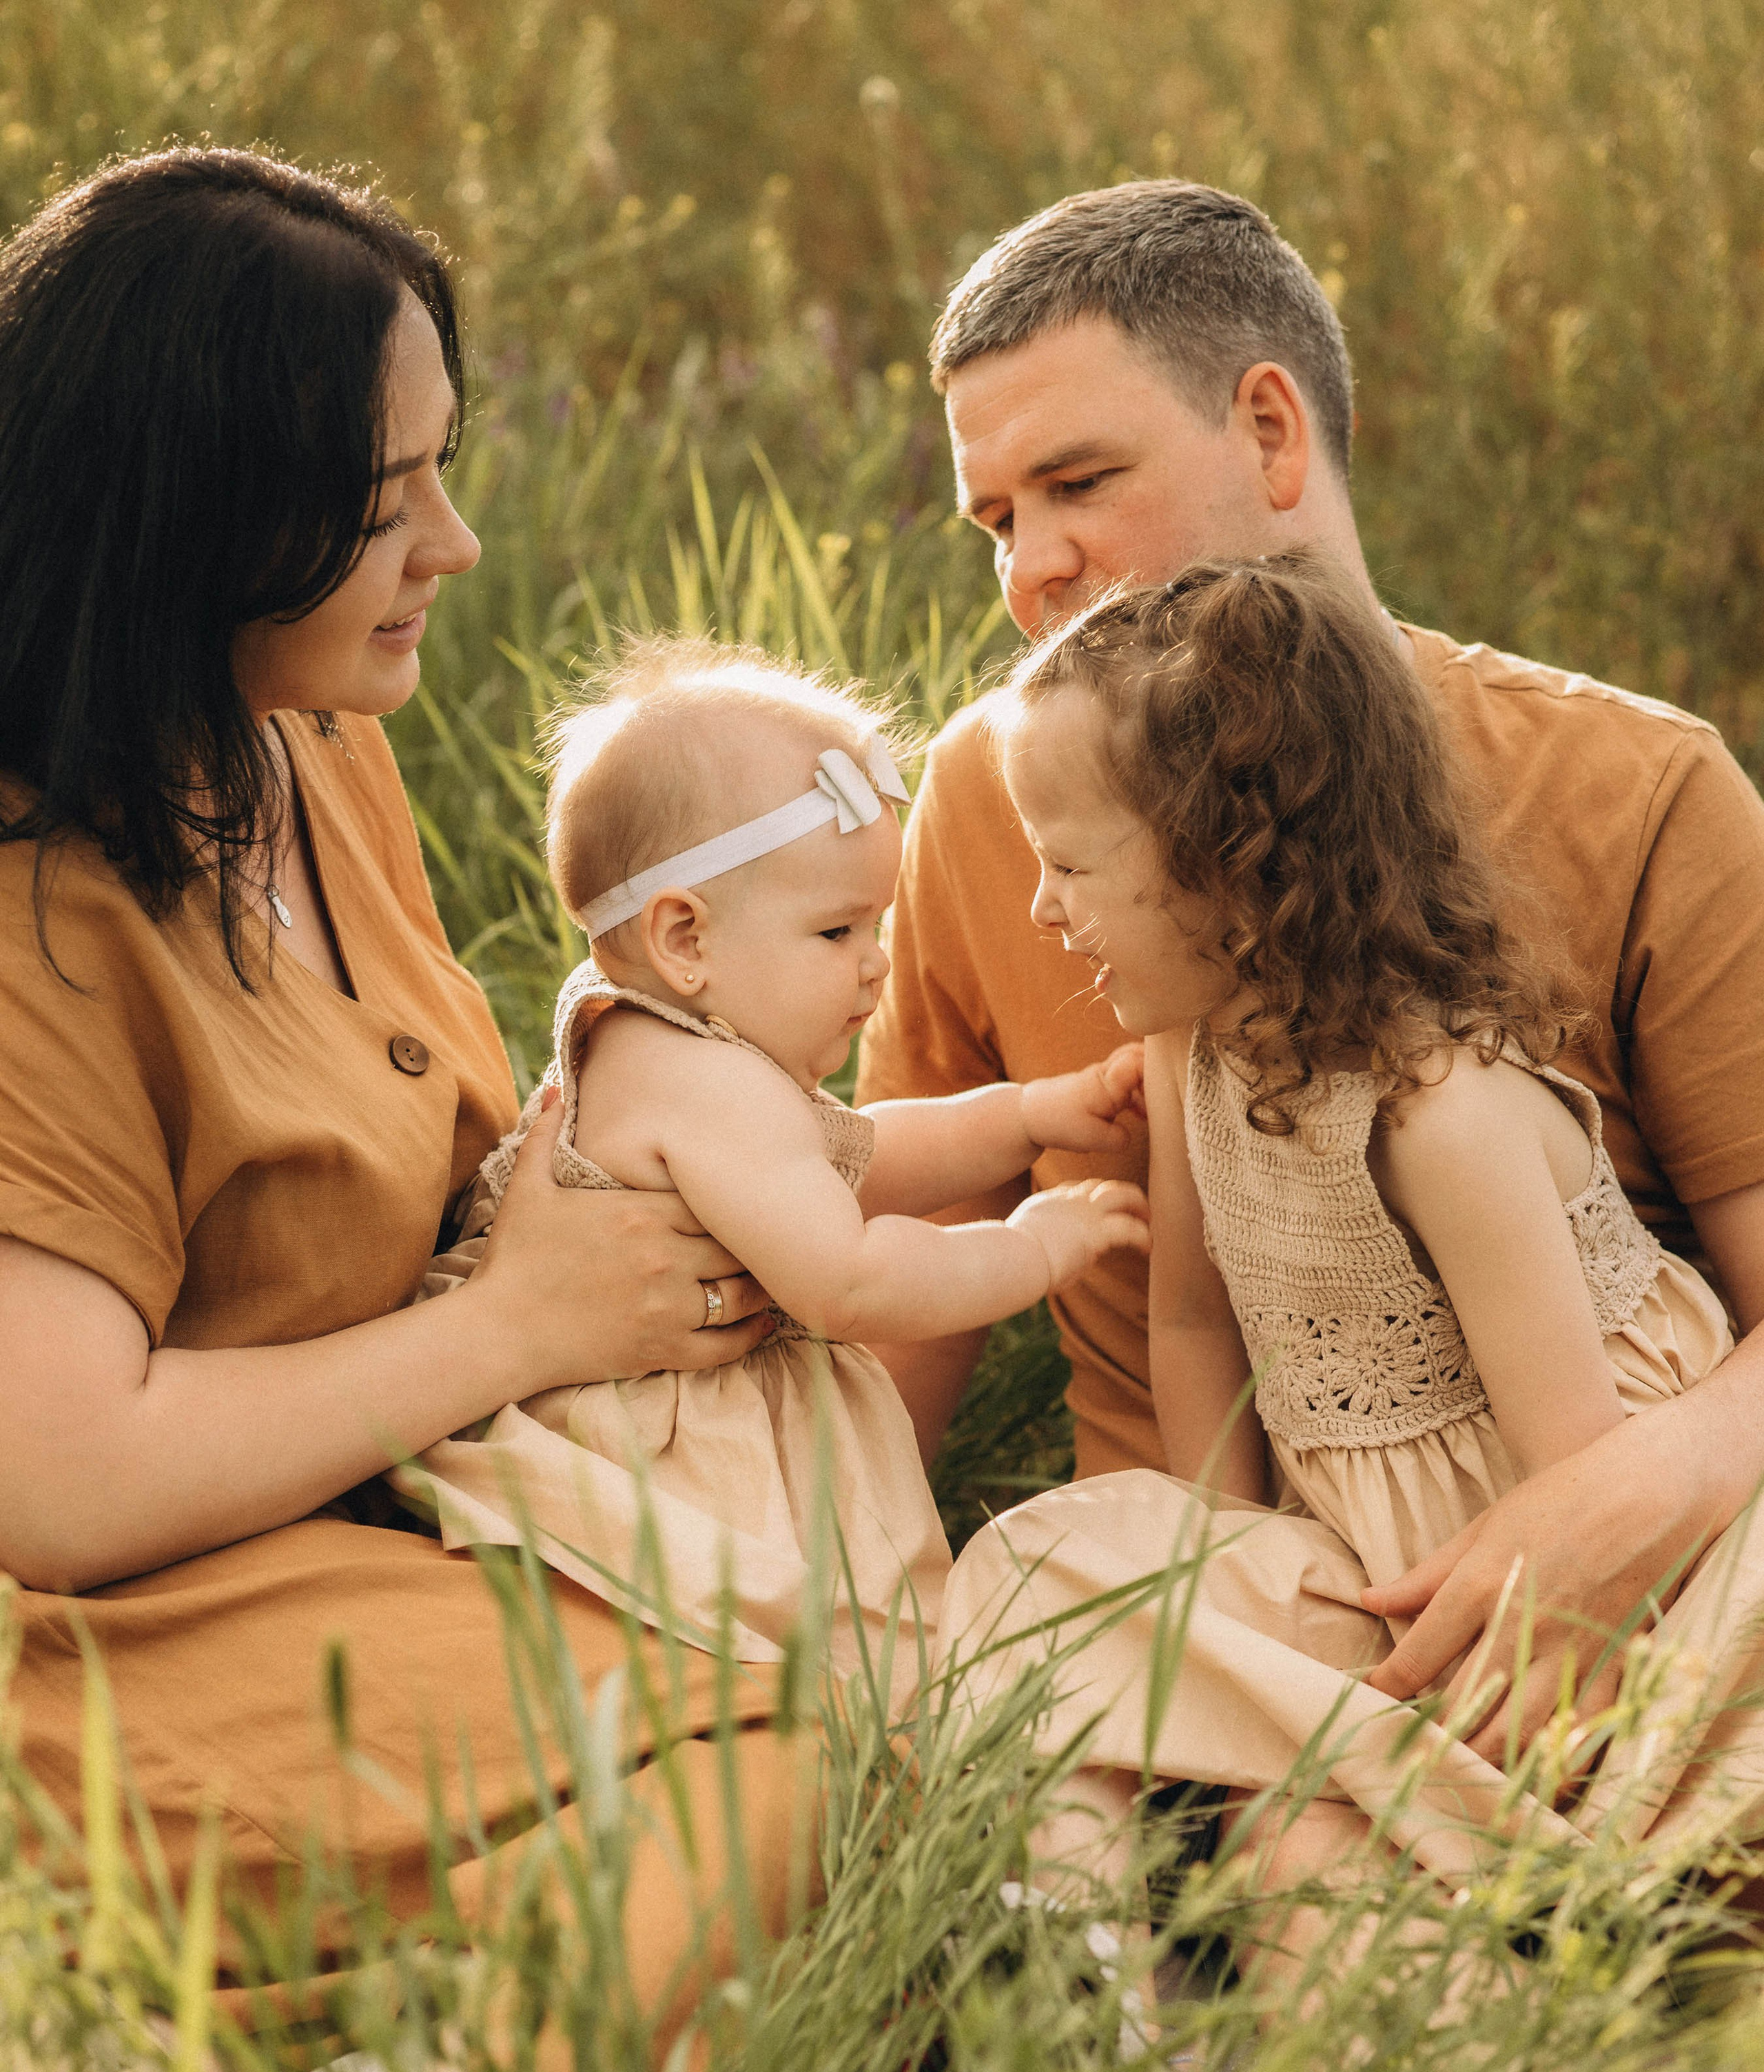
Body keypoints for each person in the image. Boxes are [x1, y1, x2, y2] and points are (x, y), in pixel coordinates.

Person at [0, 148, 817, 2041]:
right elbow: (58, 1481)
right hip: (118, 1634)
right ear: (200, 523)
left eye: (443, 465)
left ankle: (370, 2070)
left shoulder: (307, 745)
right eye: (387, 502)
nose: (450, 542)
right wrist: (521, 1321)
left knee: (850, 1720)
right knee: (771, 1767)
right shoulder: (39, 918)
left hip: (393, 1533)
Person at [858, 178, 1764, 1759]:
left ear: (1270, 432)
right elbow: (900, 1288)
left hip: (1614, 1568)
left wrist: (1646, 1484)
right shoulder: (979, 805)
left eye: (1078, 481)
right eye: (996, 520)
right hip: (1232, 1632)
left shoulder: (1637, 786)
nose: (1030, 570)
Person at [934, 558, 1764, 1958]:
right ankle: (1078, 1983)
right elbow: (1195, 1329)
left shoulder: (1438, 1114)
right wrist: (1227, 1565)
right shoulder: (1187, 1042)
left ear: (1232, 871)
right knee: (1033, 1576)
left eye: (1069, 866)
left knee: (1341, 1856)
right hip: (1372, 1567)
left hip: (1586, 1597)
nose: (1039, 912)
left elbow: (1581, 1509)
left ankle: (1533, 1864)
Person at [402, 638, 1149, 1687]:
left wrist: (1028, 1116)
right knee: (834, 1672)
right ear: (685, 939)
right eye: (838, 928)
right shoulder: (704, 1084)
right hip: (682, 1474)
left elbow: (862, 1153)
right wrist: (1030, 1247)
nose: (876, 960)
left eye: (879, 922)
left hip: (670, 1428)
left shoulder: (678, 1049)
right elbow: (848, 1278)